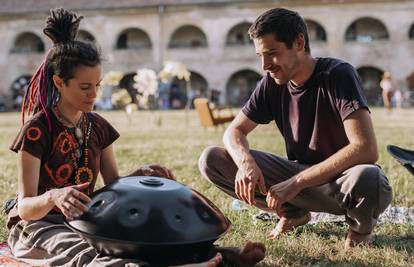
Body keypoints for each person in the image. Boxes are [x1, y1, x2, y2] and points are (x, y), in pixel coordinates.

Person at [6, 8, 265, 267]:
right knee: (83, 254)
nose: (93, 94)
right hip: (39, 227)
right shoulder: (37, 130)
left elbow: (113, 186)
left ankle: (216, 256)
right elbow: (25, 206)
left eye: (97, 86)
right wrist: (53, 197)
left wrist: (139, 176)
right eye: (85, 87)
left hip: (84, 220)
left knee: (138, 240)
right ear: (59, 83)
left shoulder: (97, 126)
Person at [199, 7, 393, 249]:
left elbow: (365, 149)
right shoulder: (271, 83)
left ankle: (360, 228)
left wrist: (297, 182)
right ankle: (292, 213)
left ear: (299, 42)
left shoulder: (338, 74)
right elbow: (234, 132)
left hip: (341, 183)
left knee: (370, 177)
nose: (265, 65)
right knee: (212, 159)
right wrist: (245, 162)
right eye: (260, 55)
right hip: (295, 180)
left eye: (272, 53)